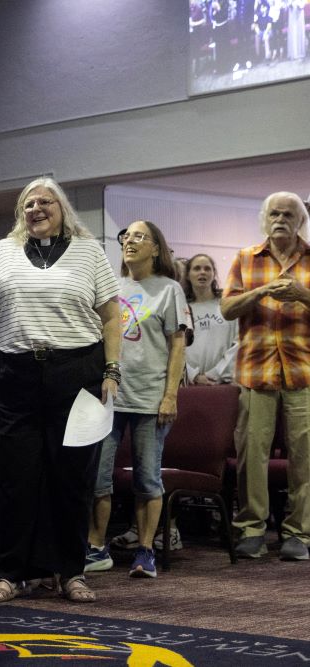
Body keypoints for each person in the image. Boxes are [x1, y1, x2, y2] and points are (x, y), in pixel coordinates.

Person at [0, 177, 121, 603]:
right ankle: (11, 573)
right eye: (28, 203)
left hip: (76, 370)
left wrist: (112, 369)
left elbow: (111, 316)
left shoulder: (88, 251)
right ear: (19, 214)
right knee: (15, 476)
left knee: (72, 477)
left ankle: (71, 571)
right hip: (14, 373)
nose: (36, 208)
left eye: (46, 202)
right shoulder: (1, 253)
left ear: (62, 210)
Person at [86, 221, 189, 579]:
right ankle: (96, 548)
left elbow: (178, 344)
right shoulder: (111, 287)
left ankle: (145, 551)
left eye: (139, 236)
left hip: (150, 397)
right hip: (110, 396)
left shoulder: (169, 289)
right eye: (126, 236)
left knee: (147, 478)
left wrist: (170, 395)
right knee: (98, 477)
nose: (130, 240)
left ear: (157, 248)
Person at [222, 191, 310, 561]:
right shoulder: (245, 258)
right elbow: (227, 308)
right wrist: (261, 292)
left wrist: (303, 294)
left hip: (303, 372)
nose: (281, 219)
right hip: (255, 371)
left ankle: (298, 534)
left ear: (300, 221)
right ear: (264, 218)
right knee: (251, 454)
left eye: (288, 214)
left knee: (304, 457)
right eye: (274, 213)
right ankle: (252, 529)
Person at [183, 253, 238, 386]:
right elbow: (173, 348)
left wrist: (216, 373)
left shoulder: (227, 305)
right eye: (197, 268)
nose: (202, 272)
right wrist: (192, 375)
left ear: (214, 274)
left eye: (207, 269)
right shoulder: (181, 309)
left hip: (222, 384)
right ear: (188, 275)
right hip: (188, 384)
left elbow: (238, 344)